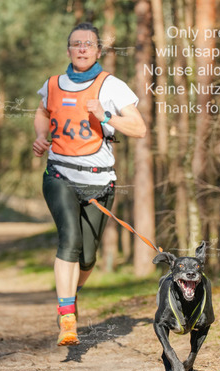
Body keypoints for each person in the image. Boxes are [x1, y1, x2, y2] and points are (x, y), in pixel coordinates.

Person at [32, 22, 146, 346]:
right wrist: (40, 136)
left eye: (89, 44)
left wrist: (106, 116)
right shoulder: (52, 84)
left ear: (98, 51)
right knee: (69, 240)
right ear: (68, 50)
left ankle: (71, 293)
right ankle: (67, 316)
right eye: (76, 43)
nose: (82, 48)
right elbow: (42, 112)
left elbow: (139, 129)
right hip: (60, 174)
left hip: (99, 182)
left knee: (87, 258)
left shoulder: (112, 86)